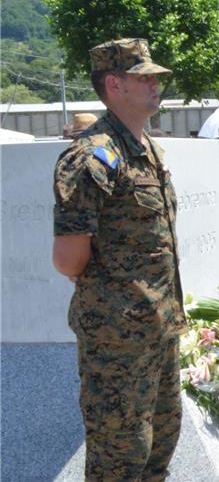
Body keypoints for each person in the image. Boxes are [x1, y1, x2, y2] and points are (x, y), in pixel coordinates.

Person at [52, 38, 186, 479]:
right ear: (114, 83)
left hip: (159, 330)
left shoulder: (147, 150)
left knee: (159, 447)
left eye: (154, 76)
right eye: (143, 76)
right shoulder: (90, 157)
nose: (155, 84)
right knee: (119, 459)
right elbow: (69, 259)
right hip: (117, 343)